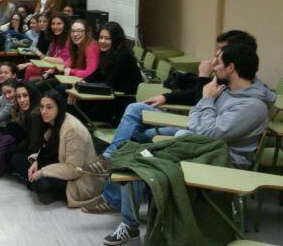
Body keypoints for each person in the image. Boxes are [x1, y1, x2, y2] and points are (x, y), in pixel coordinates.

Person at [83, 42, 275, 245]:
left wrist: (206, 100)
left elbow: (210, 134)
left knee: (140, 159)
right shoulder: (226, 89)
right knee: (135, 139)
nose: (213, 65)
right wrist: (204, 106)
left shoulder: (252, 106)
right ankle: (124, 209)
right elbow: (197, 120)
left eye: (218, 62)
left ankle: (128, 220)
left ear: (231, 68)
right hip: (197, 142)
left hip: (221, 160)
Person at [25, 90, 103, 206]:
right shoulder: (53, 121)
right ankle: (42, 188)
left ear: (59, 108)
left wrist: (42, 172)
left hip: (81, 178)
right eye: (41, 107)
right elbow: (48, 150)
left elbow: (73, 169)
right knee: (18, 159)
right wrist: (37, 161)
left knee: (41, 184)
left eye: (49, 107)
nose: (44, 111)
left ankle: (49, 190)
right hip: (61, 164)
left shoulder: (72, 129)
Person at [6, 81, 43, 179]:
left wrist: (22, 153)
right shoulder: (29, 110)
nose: (21, 100)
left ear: (32, 95)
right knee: (11, 127)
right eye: (18, 97)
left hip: (40, 153)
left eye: (25, 96)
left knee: (14, 157)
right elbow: (29, 135)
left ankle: (32, 179)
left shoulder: (35, 114)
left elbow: (35, 144)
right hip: (31, 141)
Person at [20, 13, 71, 81]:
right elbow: (53, 56)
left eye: (59, 24)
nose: (55, 27)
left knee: (29, 70)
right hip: (52, 68)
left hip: (62, 72)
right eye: (53, 24)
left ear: (65, 25)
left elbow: (61, 60)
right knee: (29, 73)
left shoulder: (68, 40)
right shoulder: (54, 38)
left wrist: (42, 56)